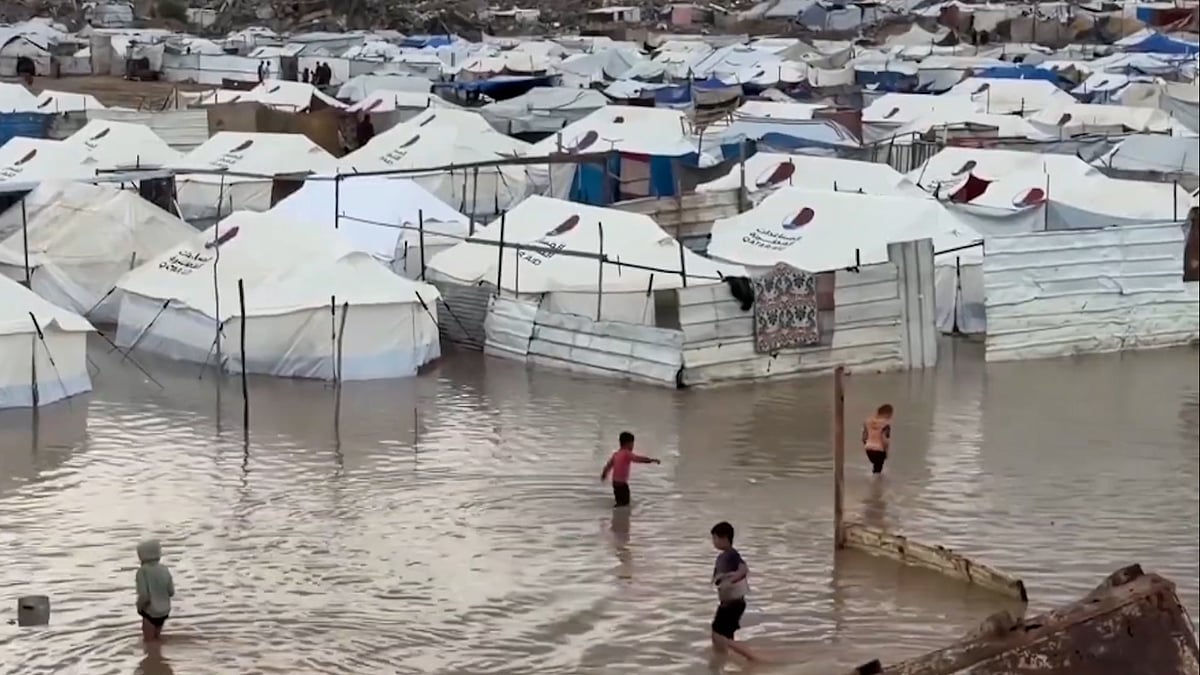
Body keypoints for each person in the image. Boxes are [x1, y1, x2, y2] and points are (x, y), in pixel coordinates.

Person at [710, 521, 756, 662]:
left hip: (732, 604)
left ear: (724, 538)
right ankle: (723, 661)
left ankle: (752, 658)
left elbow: (743, 569)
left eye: (715, 538)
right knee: (721, 636)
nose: (713, 542)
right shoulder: (724, 556)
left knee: (719, 636)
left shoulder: (731, 555)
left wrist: (733, 579)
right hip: (729, 603)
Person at [599, 431, 659, 507]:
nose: (633, 446)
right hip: (622, 484)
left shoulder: (616, 454)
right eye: (632, 444)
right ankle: (621, 515)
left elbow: (608, 466)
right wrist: (651, 460)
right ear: (628, 443)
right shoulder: (627, 453)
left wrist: (604, 474)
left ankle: (617, 512)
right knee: (625, 503)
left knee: (619, 501)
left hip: (615, 483)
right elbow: (637, 459)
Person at [135, 539, 175, 642]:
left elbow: (144, 596)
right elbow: (171, 592)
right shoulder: (164, 569)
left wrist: (139, 607)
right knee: (157, 638)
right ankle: (159, 656)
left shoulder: (142, 571)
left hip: (150, 612)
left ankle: (153, 657)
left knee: (149, 642)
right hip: (164, 611)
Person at [862, 403, 894, 475]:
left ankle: (872, 484)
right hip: (879, 449)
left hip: (868, 448)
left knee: (875, 469)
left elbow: (864, 437)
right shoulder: (886, 424)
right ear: (887, 414)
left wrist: (866, 446)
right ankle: (875, 485)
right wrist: (886, 452)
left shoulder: (868, 422)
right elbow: (884, 439)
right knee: (878, 472)